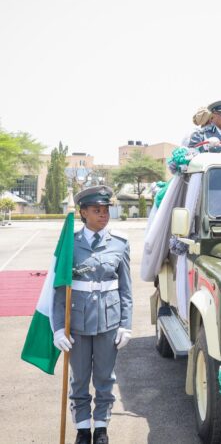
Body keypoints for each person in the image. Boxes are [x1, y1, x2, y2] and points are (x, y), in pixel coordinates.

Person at [52, 186, 132, 444]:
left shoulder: (120, 244)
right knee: (79, 379)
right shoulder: (70, 244)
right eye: (96, 210)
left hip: (109, 323)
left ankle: (101, 428)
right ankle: (83, 428)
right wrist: (57, 328)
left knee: (105, 378)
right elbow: (59, 290)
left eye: (106, 209)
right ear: (82, 212)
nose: (103, 214)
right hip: (76, 323)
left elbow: (126, 289)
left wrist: (125, 325)